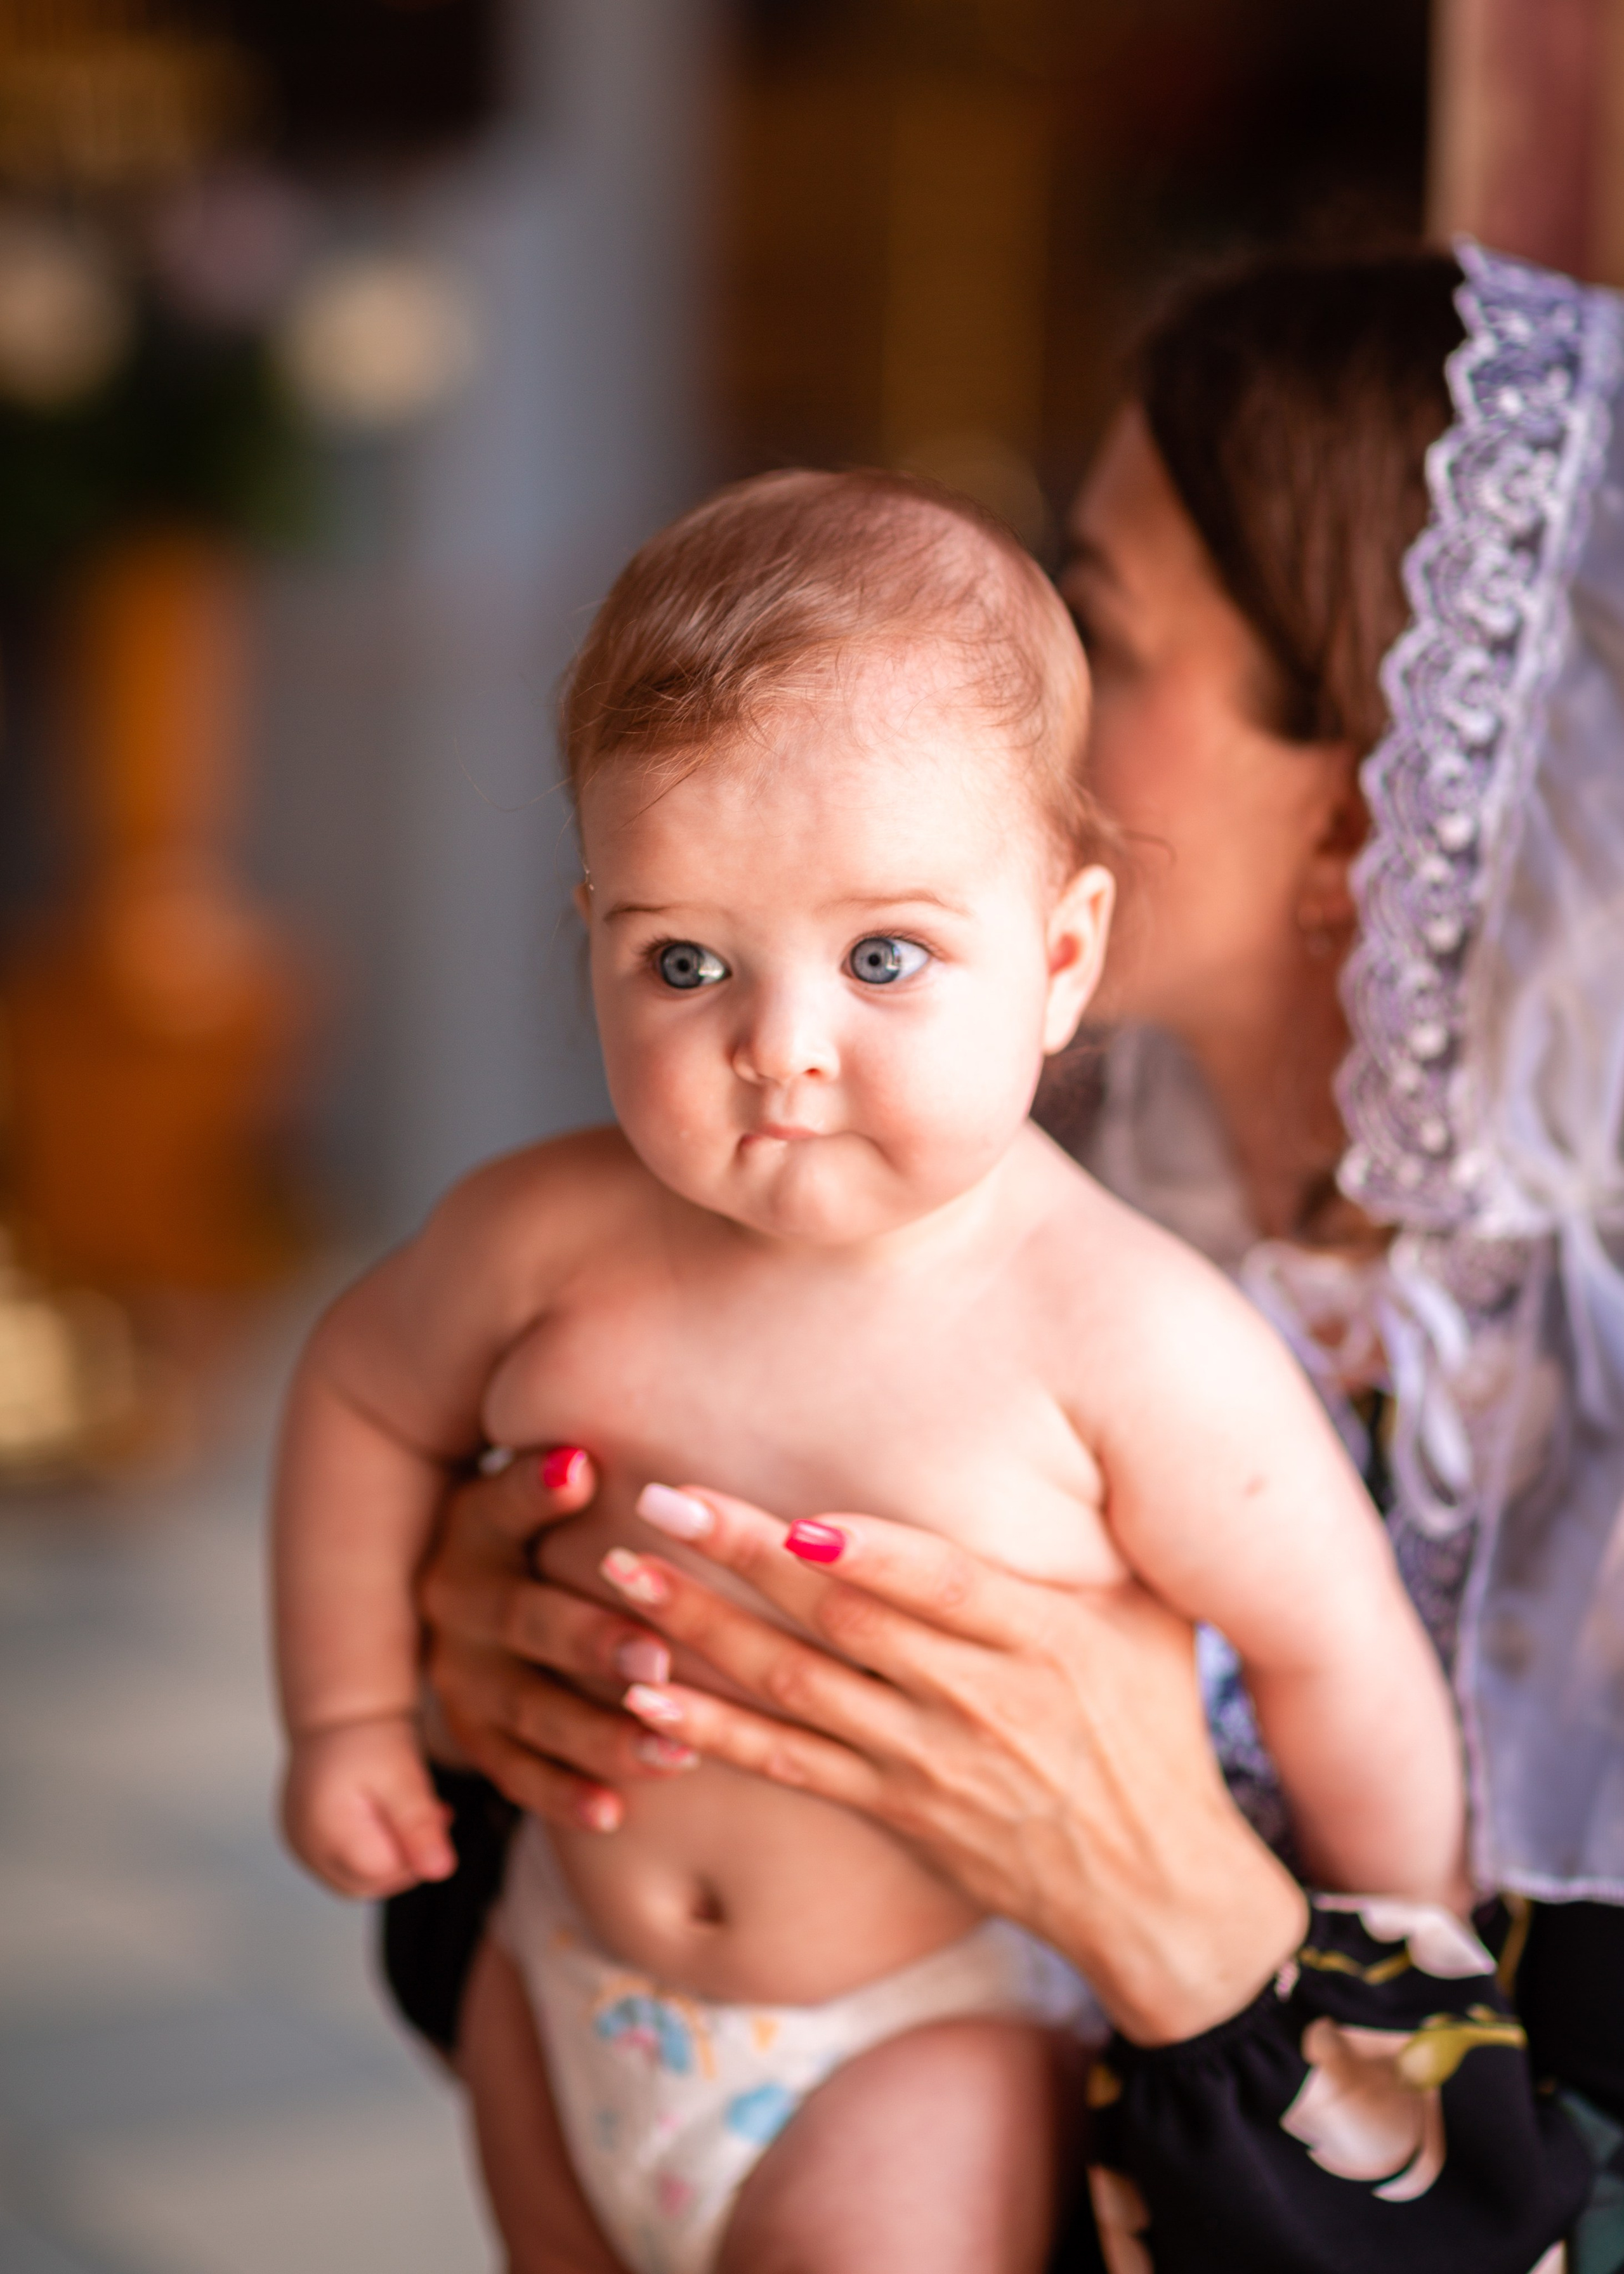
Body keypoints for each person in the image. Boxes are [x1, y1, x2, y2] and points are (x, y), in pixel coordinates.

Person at [391, 242, 1624, 2269]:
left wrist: (1173, 1915)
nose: (1009, 698)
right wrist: (484, 1651)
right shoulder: (913, 1160)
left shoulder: (1556, 1461)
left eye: (1109, 636)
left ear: (1364, 819)